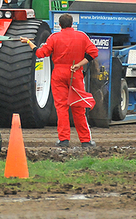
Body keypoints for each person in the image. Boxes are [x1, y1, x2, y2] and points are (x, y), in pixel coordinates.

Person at [20, 13, 98, 148]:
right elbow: (93, 53)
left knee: (61, 108)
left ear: (60, 25)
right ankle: (85, 141)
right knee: (79, 108)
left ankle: (64, 140)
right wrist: (79, 64)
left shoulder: (54, 37)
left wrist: (29, 42)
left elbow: (40, 53)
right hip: (76, 72)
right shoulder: (82, 36)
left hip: (59, 74)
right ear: (72, 24)